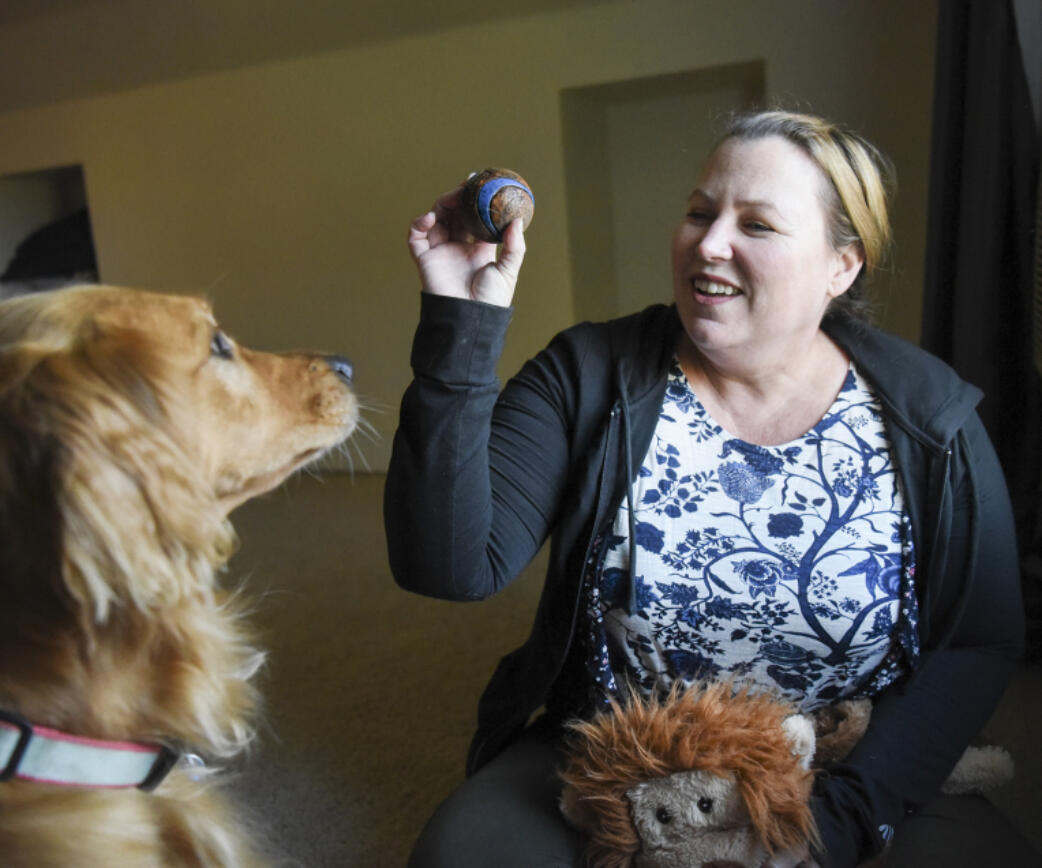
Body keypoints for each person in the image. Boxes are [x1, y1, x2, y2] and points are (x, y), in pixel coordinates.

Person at [384, 110, 1037, 868]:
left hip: (843, 755)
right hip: (622, 750)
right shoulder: (587, 373)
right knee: (459, 859)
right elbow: (450, 567)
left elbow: (981, 638)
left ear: (842, 265)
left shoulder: (928, 417)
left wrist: (845, 819)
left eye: (756, 225)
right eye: (699, 211)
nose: (709, 241)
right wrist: (462, 323)